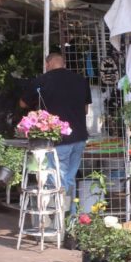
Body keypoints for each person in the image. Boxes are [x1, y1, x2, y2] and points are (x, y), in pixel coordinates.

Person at [20, 52, 92, 211]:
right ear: (64, 64)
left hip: (59, 138)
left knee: (57, 180)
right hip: (80, 137)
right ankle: (70, 216)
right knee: (69, 178)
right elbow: (86, 110)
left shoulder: (42, 80)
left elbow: (23, 104)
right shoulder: (81, 80)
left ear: (47, 64)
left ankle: (59, 217)